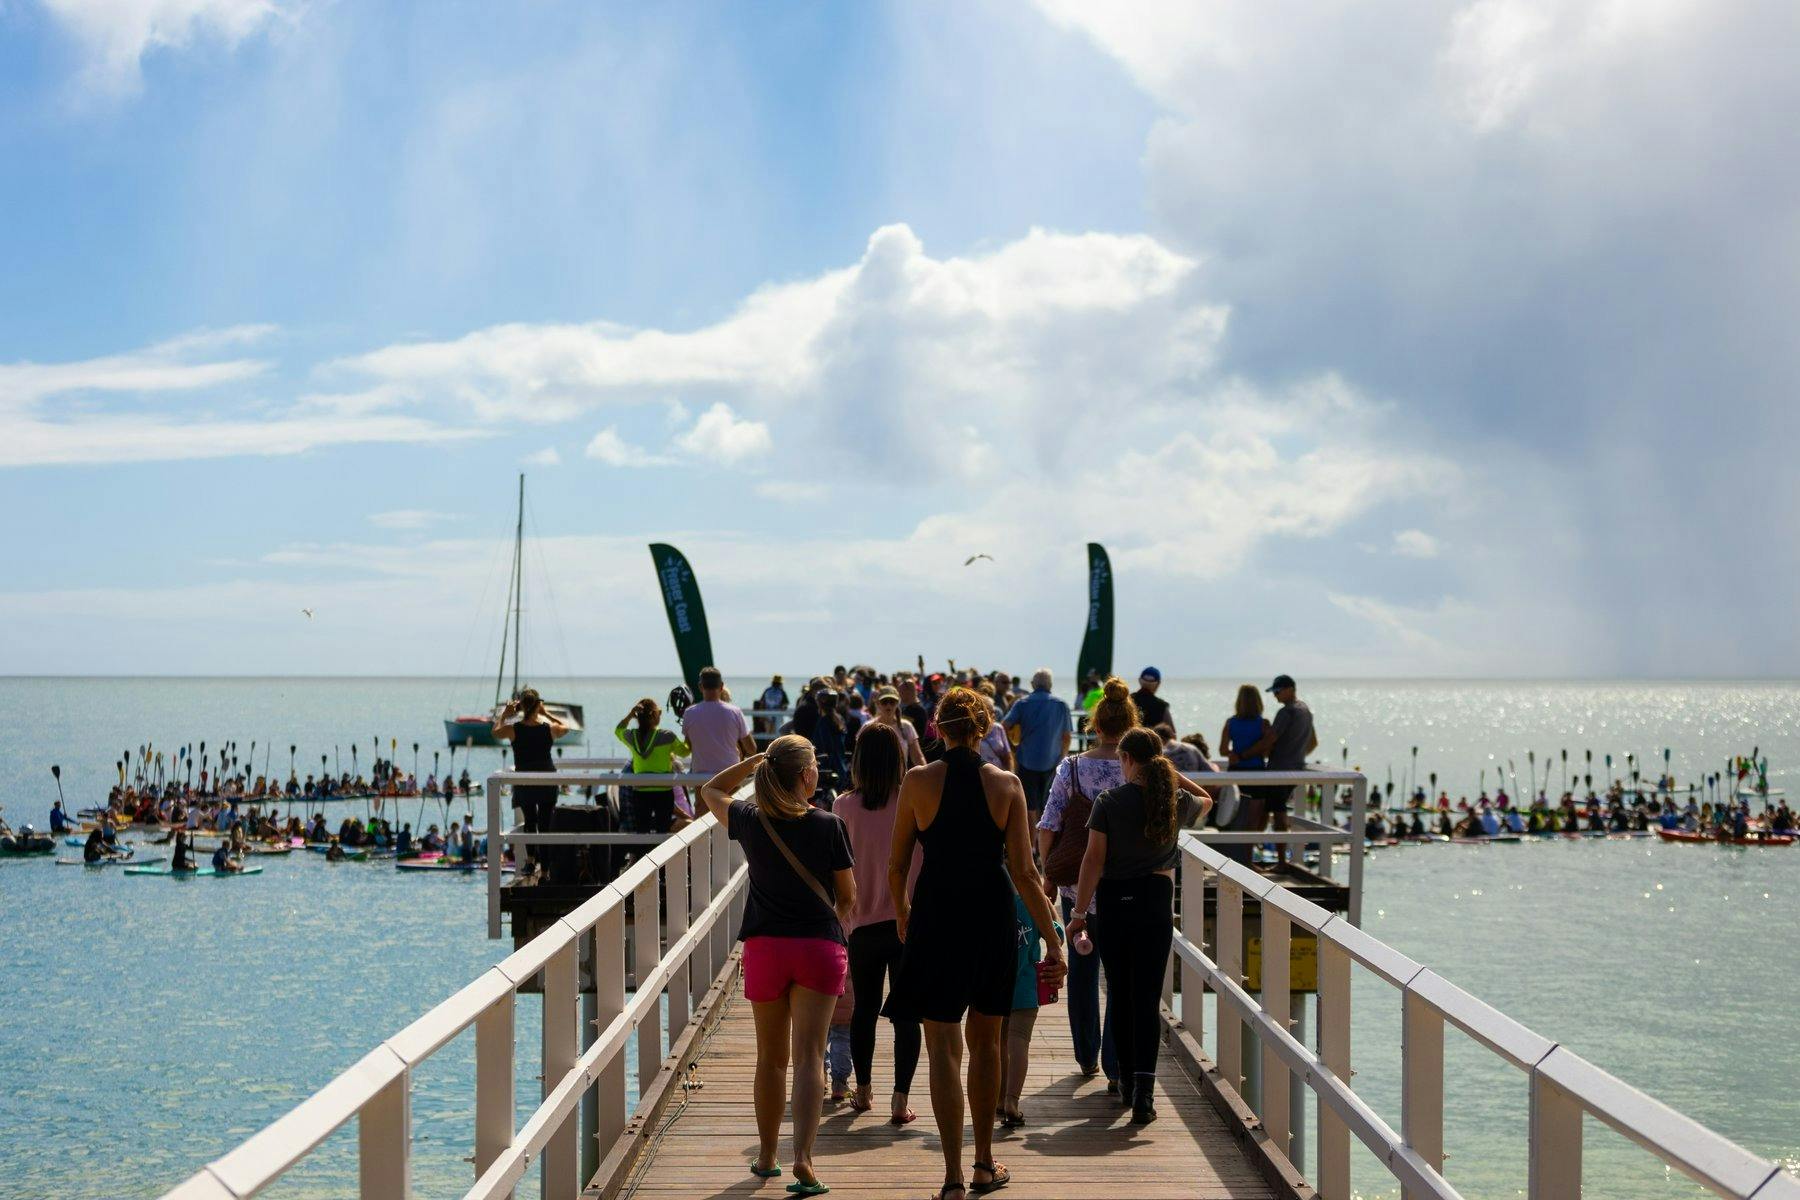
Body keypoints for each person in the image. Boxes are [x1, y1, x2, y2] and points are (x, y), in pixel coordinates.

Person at [885, 688, 1066, 1200]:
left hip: (936, 915)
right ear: (984, 728)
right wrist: (1052, 941)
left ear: (937, 728)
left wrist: (903, 913)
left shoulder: (917, 781)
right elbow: (1025, 873)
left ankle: (952, 1178)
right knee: (987, 1044)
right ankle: (984, 1162)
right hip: (991, 915)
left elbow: (896, 865)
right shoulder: (1007, 784)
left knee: (943, 1049)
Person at [697, 737, 855, 1197]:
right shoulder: (829, 825)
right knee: (810, 1056)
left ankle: (767, 1156)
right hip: (818, 947)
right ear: (806, 775)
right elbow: (848, 897)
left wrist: (753, 760)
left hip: (765, 948)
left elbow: (710, 790)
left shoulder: (751, 819)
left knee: (770, 1058)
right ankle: (803, 1157)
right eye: (814, 766)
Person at [1067, 727, 1211, 1123]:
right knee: (1147, 999)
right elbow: (1207, 799)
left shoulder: (1109, 801)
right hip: (1155, 903)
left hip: (1115, 903)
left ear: (1128, 759)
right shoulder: (1175, 802)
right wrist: (1171, 774)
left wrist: (1078, 914)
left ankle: (1127, 1082)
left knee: (1121, 993)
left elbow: (1093, 860)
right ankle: (1145, 1095)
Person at [1036, 678, 1134, 1093]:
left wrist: (1048, 872)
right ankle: (1115, 1065)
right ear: (1130, 724)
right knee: (1120, 977)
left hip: (1078, 888)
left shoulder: (1073, 768)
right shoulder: (1138, 768)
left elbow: (1048, 824)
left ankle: (1086, 1055)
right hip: (1126, 888)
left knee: (1082, 969)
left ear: (1095, 725)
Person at [835, 723, 922, 1124]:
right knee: (907, 1015)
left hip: (861, 924)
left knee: (864, 1010)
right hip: (908, 921)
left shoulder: (843, 806)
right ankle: (900, 1101)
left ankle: (864, 1090)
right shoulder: (913, 802)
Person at [1237, 675, 1317, 864]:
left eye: (1278, 691)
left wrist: (1244, 755)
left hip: (1279, 770)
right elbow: (1313, 742)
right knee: (1269, 811)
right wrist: (1296, 754)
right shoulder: (1306, 710)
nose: (1275, 695)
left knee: (1277, 814)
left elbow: (1270, 739)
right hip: (1296, 769)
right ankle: (1259, 858)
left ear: (1290, 689)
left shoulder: (1286, 712)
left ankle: (1278, 862)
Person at [997, 890, 1059, 1128]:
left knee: (999, 1042)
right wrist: (1048, 906)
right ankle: (1012, 1100)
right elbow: (1057, 935)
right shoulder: (1032, 901)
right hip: (1026, 987)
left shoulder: (990, 897)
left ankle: (999, 1098)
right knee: (1019, 1041)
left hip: (995, 985)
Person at [495, 688, 570, 876]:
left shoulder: (514, 729)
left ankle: (530, 860)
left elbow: (495, 732)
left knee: (530, 821)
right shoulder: (548, 728)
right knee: (544, 825)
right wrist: (547, 713)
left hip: (524, 780)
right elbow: (566, 727)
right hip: (546, 780)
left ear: (521, 706)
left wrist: (505, 714)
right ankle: (544, 871)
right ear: (538, 705)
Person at [1002, 669, 1073, 818]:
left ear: (1033, 684)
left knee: (1028, 805)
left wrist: (1012, 747)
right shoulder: (1061, 705)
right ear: (1050, 684)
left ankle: (1031, 834)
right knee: (1048, 804)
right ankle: (1044, 832)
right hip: (1052, 761)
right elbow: (1066, 737)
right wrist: (1062, 757)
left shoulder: (1022, 703)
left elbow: (1004, 726)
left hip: (1026, 760)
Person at [615, 698, 690, 835]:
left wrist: (630, 715)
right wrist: (688, 731)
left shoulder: (632, 736)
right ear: (655, 715)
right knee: (663, 832)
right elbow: (685, 752)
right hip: (664, 791)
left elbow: (618, 730)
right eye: (659, 712)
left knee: (642, 832)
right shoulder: (667, 736)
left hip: (640, 792)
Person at [683, 666, 758, 775]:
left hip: (700, 776)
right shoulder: (735, 712)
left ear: (700, 686)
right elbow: (752, 748)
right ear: (721, 686)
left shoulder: (689, 713)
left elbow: (689, 746)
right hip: (730, 776)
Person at [868, 685, 926, 768]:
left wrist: (925, 773)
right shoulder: (868, 727)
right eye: (884, 702)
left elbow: (917, 757)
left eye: (892, 701)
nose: (888, 705)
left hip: (901, 775)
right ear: (878, 703)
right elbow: (859, 759)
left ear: (898, 703)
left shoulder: (907, 726)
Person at [1130, 667, 1173, 733]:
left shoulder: (1128, 699)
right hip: (1152, 739)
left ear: (1139, 680)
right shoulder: (1162, 705)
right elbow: (1172, 733)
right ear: (1158, 684)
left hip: (1128, 738)